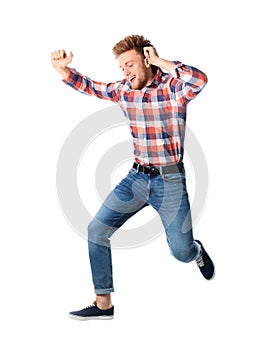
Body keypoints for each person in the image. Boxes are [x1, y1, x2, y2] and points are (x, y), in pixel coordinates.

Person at [50, 34, 214, 321]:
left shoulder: (173, 88)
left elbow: (199, 80)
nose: (125, 72)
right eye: (121, 67)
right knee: (96, 230)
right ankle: (103, 304)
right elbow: (92, 87)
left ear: (147, 60)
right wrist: (63, 70)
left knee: (180, 251)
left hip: (170, 182)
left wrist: (163, 62)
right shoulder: (125, 89)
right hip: (136, 179)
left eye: (130, 65)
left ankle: (196, 251)